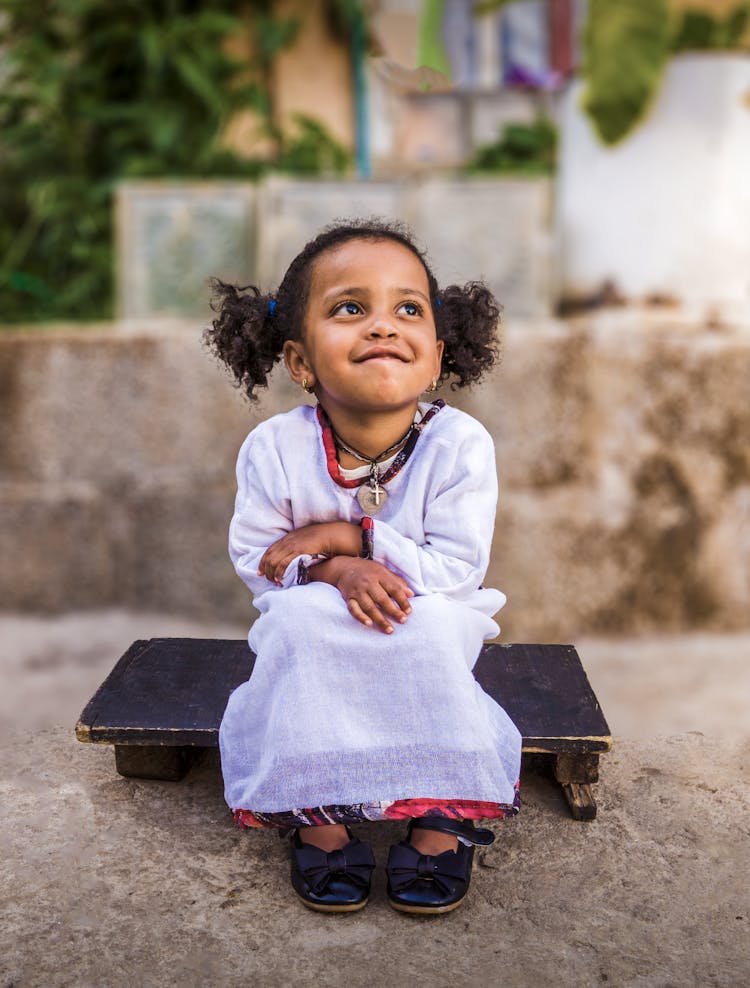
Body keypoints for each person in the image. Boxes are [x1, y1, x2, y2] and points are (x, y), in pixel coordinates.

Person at [204, 219, 522, 915]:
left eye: (408, 309)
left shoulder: (461, 446)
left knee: (435, 628)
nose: (382, 326)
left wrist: (354, 536)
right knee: (297, 624)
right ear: (300, 361)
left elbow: (457, 569)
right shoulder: (272, 447)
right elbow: (261, 560)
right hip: (314, 608)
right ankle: (318, 813)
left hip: (432, 606)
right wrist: (333, 573)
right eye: (350, 308)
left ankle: (440, 817)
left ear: (436, 357)